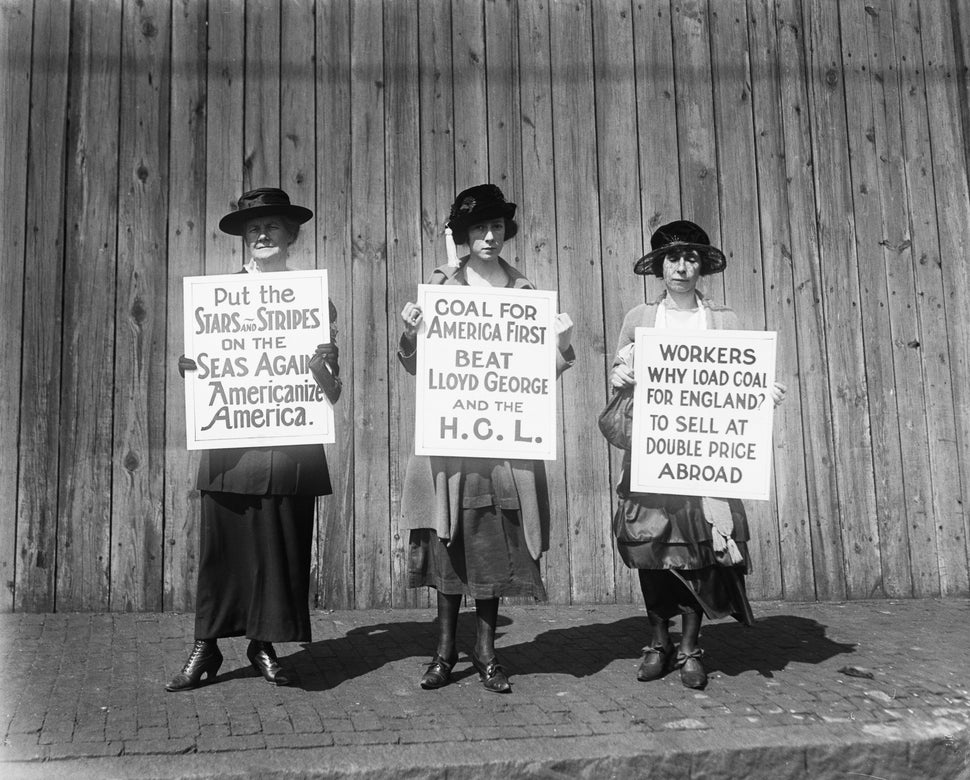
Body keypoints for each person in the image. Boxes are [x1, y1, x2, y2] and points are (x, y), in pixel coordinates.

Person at [398, 184, 575, 694]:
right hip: (453, 445)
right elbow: (415, 364)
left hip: (503, 450)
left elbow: (535, 378)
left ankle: (487, 653)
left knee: (492, 548)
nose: (490, 236)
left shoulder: (525, 294)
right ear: (463, 236)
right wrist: (410, 332)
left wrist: (561, 347)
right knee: (450, 544)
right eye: (479, 229)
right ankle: (443, 652)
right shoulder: (442, 288)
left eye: (497, 227)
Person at [166, 188, 342, 691]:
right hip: (232, 445)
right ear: (245, 240)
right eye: (253, 229)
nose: (262, 235)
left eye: (272, 228)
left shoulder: (314, 301)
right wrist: (192, 368)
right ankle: (207, 644)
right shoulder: (218, 300)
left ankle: (262, 642)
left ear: (291, 236)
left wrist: (321, 367)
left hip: (289, 448)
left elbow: (333, 392)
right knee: (222, 547)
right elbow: (210, 368)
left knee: (276, 547)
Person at [608, 220, 785, 690]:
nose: (681, 268)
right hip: (654, 452)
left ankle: (690, 647)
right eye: (672, 259)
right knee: (651, 548)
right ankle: (657, 640)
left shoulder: (723, 320)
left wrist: (763, 392)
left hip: (704, 457)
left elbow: (736, 381)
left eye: (690, 258)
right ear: (659, 267)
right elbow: (619, 374)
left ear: (701, 265)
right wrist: (622, 377)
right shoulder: (639, 318)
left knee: (698, 553)